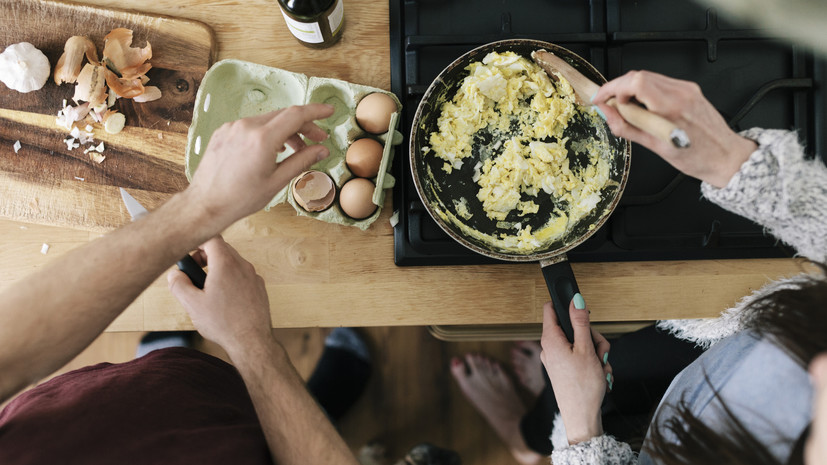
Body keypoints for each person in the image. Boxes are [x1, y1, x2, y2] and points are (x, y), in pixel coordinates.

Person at [453, 70, 827, 465]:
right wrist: (734, 161)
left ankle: (525, 439)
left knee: (576, 385)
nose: (817, 366)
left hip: (677, 427)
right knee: (604, 366)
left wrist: (580, 428)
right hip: (735, 338)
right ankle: (545, 401)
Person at [0, 104, 370, 464]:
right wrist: (254, 347)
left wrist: (197, 211)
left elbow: (7, 352)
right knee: (285, 425)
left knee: (163, 375)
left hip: (136, 399)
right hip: (241, 444)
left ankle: (162, 363)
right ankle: (315, 407)